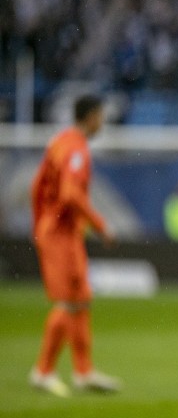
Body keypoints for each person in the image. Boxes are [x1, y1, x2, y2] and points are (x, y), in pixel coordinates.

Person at [29, 94, 121, 396]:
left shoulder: (59, 141)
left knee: (81, 298)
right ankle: (43, 371)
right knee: (68, 302)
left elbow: (37, 187)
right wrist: (99, 224)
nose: (102, 122)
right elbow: (69, 194)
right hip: (60, 233)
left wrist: (39, 220)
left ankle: (84, 372)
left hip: (60, 230)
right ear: (91, 116)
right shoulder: (76, 150)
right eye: (101, 116)